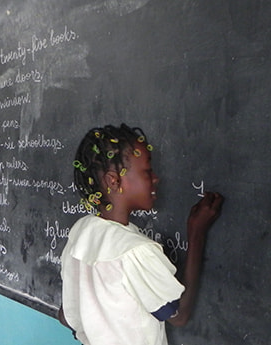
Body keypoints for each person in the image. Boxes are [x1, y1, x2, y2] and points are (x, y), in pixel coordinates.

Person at [58, 124, 223, 345]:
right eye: (147, 171)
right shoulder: (134, 250)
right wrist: (196, 234)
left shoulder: (80, 232)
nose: (156, 178)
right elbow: (179, 315)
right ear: (113, 181)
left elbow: (65, 316)